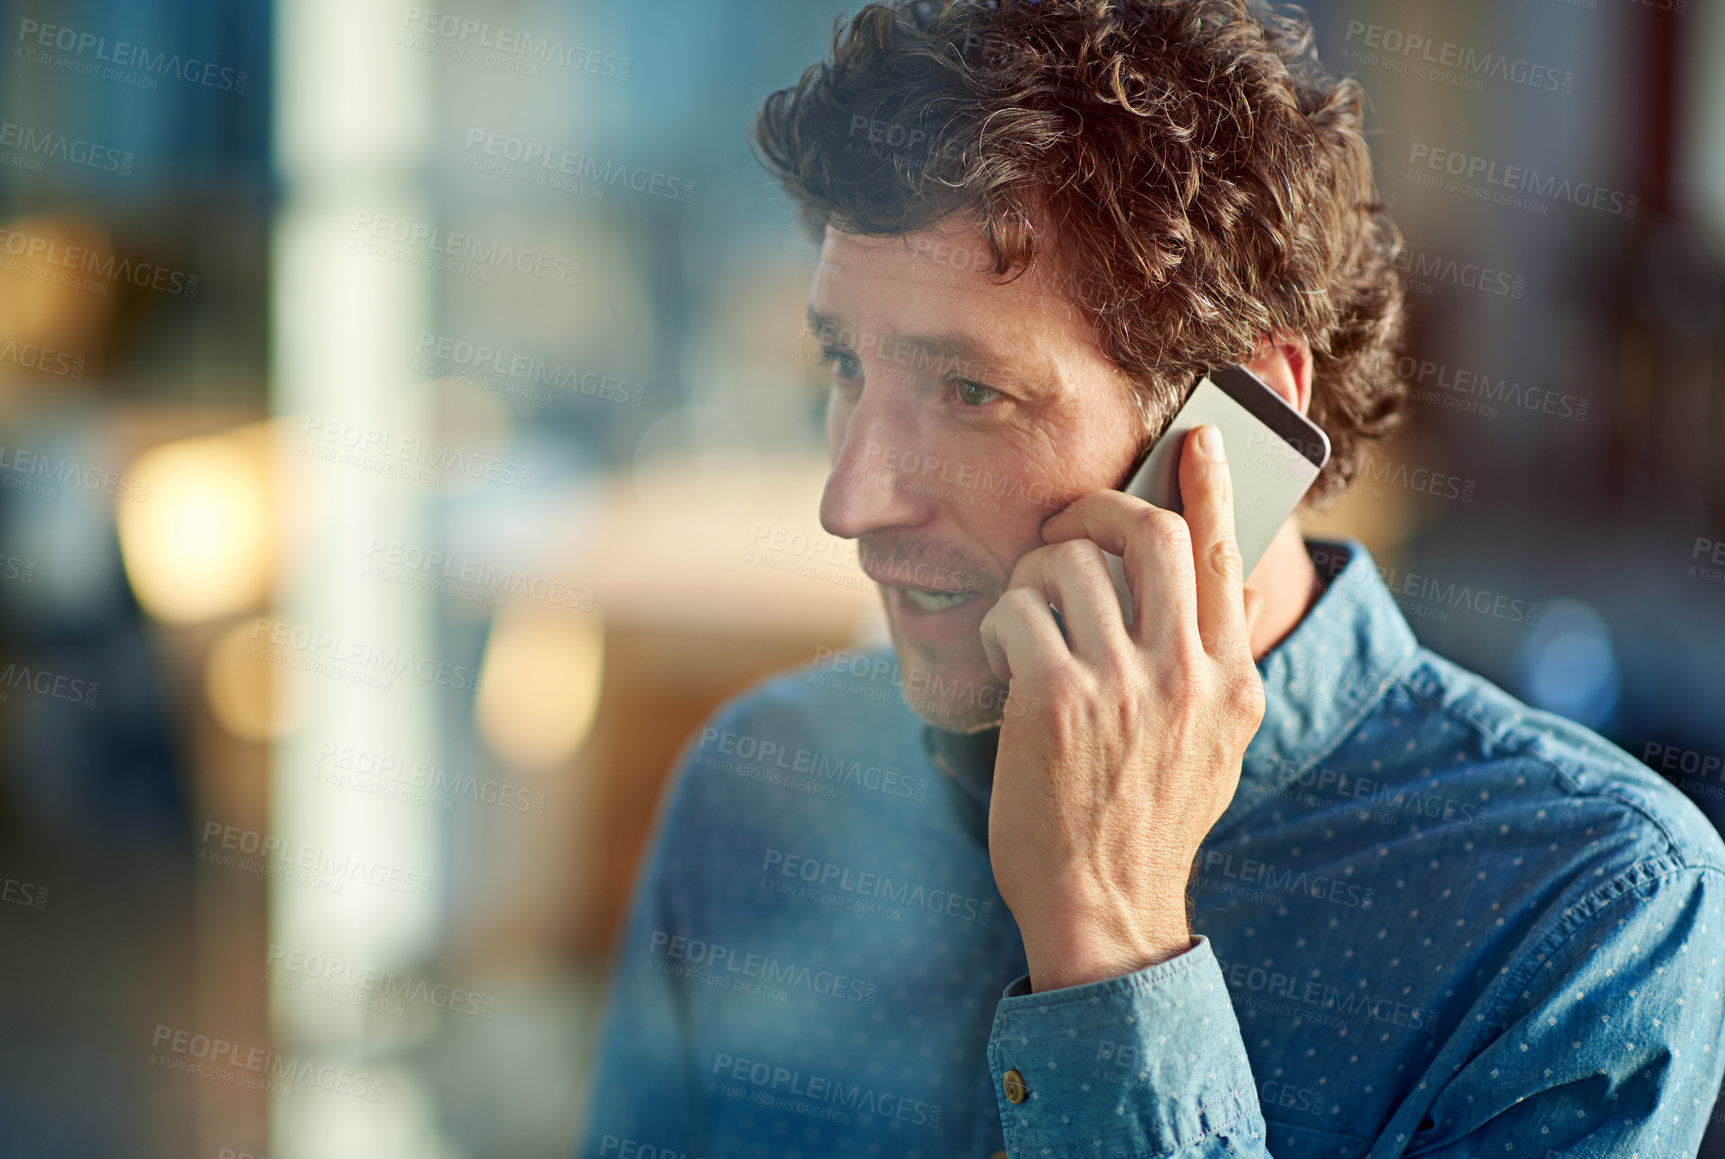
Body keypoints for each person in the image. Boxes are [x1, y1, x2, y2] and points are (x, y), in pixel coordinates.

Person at [578, 1, 1725, 1155]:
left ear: (1226, 434)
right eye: (843, 362)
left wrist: (1111, 942)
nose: (852, 501)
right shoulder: (754, 791)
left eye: (971, 393)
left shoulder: (1594, 912)